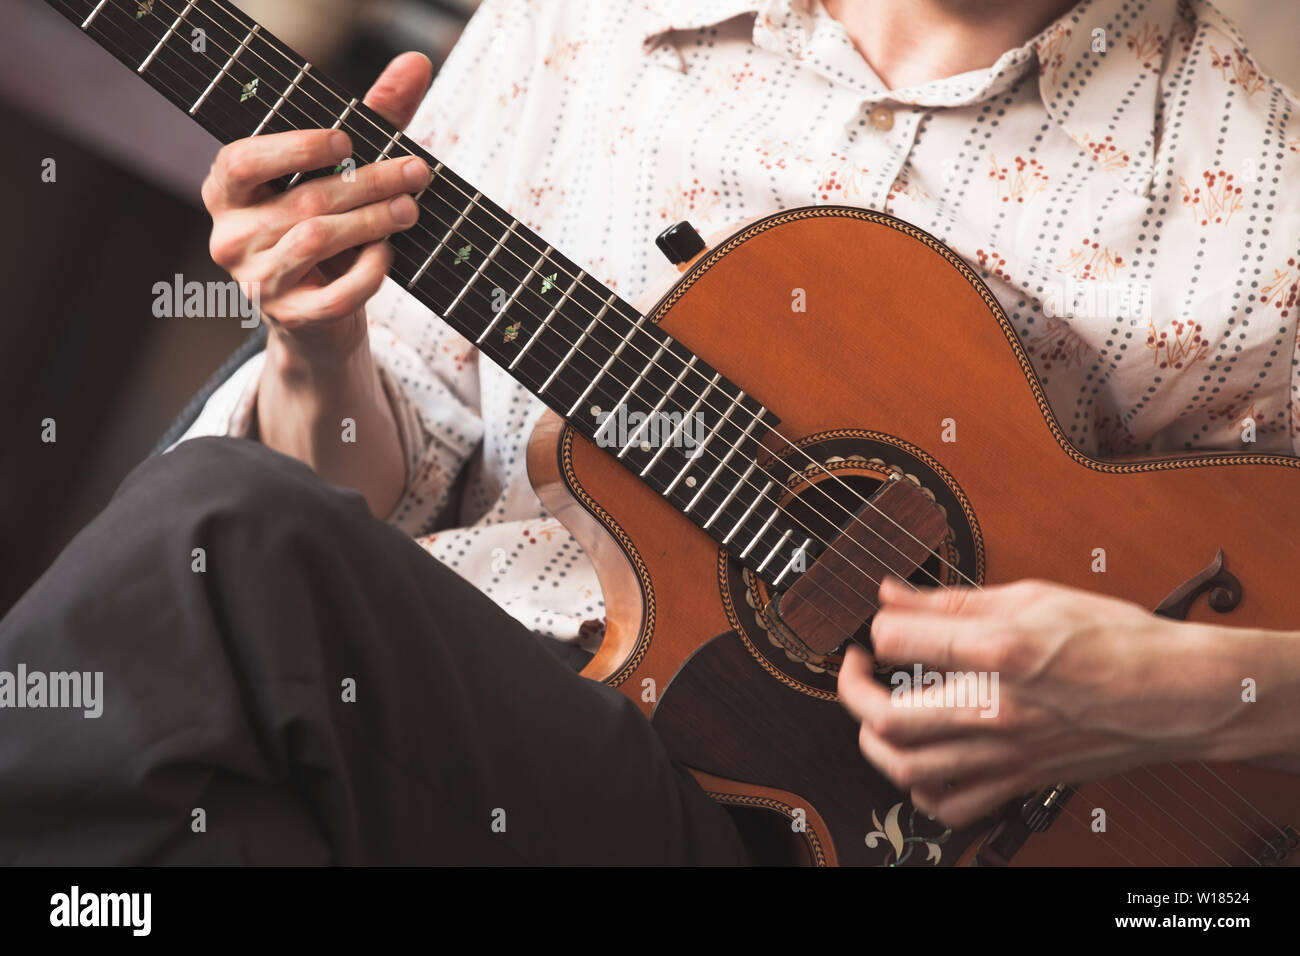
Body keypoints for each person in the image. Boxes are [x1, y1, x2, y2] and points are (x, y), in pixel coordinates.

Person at [2, 0, 1298, 863]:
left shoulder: (1260, 212)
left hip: (783, 828)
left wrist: (1167, 694)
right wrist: (318, 344)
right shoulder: (589, 19)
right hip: (411, 721)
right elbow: (363, 490)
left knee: (220, 535)